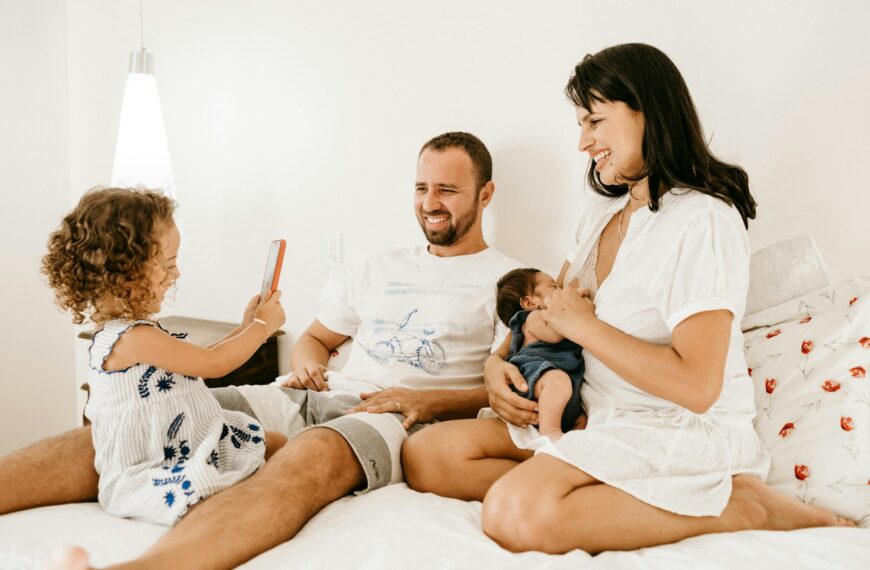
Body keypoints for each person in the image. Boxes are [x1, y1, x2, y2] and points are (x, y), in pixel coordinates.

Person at [402, 43, 852, 554]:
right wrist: (495, 361)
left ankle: (745, 506)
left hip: (673, 427)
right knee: (426, 455)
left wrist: (587, 328)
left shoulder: (701, 219)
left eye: (594, 121)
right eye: (580, 124)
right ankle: (594, 481)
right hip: (592, 412)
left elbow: (698, 385)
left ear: (647, 112)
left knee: (513, 511)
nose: (583, 142)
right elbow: (552, 307)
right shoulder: (602, 209)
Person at [1, 131, 522, 570]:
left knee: (308, 457)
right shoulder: (379, 264)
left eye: (448, 190)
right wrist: (309, 367)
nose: (430, 202)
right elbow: (316, 339)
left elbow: (508, 390)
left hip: (393, 417)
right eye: (421, 187)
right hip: (311, 394)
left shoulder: (509, 280)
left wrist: (428, 403)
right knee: (154, 413)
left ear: (486, 194)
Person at [41, 187, 287, 526]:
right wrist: (262, 327)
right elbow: (215, 365)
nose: (177, 274)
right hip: (156, 460)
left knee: (274, 443)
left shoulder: (135, 331)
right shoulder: (133, 338)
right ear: (125, 271)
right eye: (168, 265)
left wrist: (247, 326)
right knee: (208, 488)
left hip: (188, 440)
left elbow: (200, 357)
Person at [494, 268, 583, 440]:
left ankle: (572, 439)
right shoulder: (533, 318)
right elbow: (555, 333)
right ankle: (549, 432)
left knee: (581, 418)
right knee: (557, 381)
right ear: (529, 303)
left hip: (561, 389)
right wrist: (576, 300)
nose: (561, 290)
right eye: (553, 287)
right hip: (533, 375)